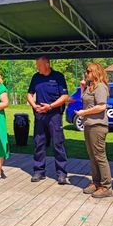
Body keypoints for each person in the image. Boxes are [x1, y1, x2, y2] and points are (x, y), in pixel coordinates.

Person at [27, 56, 69, 185]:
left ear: (47, 64)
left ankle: (61, 174)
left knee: (58, 143)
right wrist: (34, 106)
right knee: (39, 143)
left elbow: (64, 96)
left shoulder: (58, 76)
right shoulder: (36, 77)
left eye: (39, 65)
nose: (37, 67)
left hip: (54, 115)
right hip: (40, 115)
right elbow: (29, 94)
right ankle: (39, 171)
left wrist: (50, 106)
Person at [75, 63, 113, 198]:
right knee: (92, 156)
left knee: (99, 157)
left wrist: (84, 112)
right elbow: (85, 101)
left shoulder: (100, 87)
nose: (86, 73)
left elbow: (101, 106)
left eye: (89, 71)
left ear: (96, 72)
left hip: (97, 126)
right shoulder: (90, 86)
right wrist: (82, 88)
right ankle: (96, 183)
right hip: (89, 125)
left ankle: (106, 187)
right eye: (86, 71)